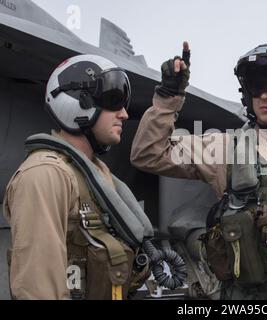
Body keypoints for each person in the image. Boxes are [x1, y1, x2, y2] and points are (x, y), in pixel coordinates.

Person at [131, 42, 267, 299]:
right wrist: (169, 96)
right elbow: (148, 153)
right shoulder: (223, 148)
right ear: (247, 95)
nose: (265, 96)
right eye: (257, 88)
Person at [3, 54, 158, 299]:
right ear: (77, 102)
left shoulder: (94, 173)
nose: (124, 114)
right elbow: (39, 290)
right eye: (114, 100)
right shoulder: (45, 176)